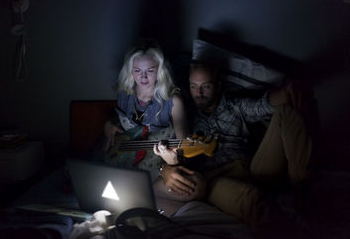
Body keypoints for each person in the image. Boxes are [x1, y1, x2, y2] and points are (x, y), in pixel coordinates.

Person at [154, 63, 315, 230]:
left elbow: (262, 105)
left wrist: (287, 92)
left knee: (287, 110)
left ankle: (303, 189)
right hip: (216, 179)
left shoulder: (233, 105)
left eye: (206, 86)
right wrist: (166, 169)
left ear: (218, 86)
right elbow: (173, 152)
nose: (199, 93)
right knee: (252, 200)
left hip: (253, 168)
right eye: (193, 87)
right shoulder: (187, 118)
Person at [103, 38, 190, 182]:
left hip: (157, 168)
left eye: (150, 71)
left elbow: (184, 150)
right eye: (137, 70)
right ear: (130, 71)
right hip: (123, 163)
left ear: (160, 70)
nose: (143, 77)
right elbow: (120, 121)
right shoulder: (124, 92)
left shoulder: (174, 101)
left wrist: (173, 162)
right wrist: (109, 124)